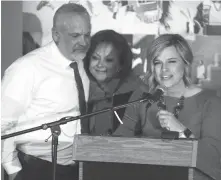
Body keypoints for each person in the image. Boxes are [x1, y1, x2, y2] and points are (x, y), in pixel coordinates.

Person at [1, 3, 91, 180]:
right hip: (34, 169)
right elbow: (3, 121)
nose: (84, 42)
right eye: (75, 36)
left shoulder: (80, 64)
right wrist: (13, 171)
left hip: (74, 169)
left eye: (87, 34)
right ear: (56, 35)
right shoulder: (26, 68)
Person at [114, 34, 221, 179]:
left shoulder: (210, 102)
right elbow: (117, 143)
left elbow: (213, 159)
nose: (164, 69)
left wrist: (183, 131)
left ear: (186, 63)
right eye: (158, 62)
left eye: (171, 61)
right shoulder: (142, 98)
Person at [83, 29, 148, 136]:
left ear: (121, 64)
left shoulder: (139, 93)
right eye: (95, 58)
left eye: (108, 60)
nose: (100, 65)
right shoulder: (83, 88)